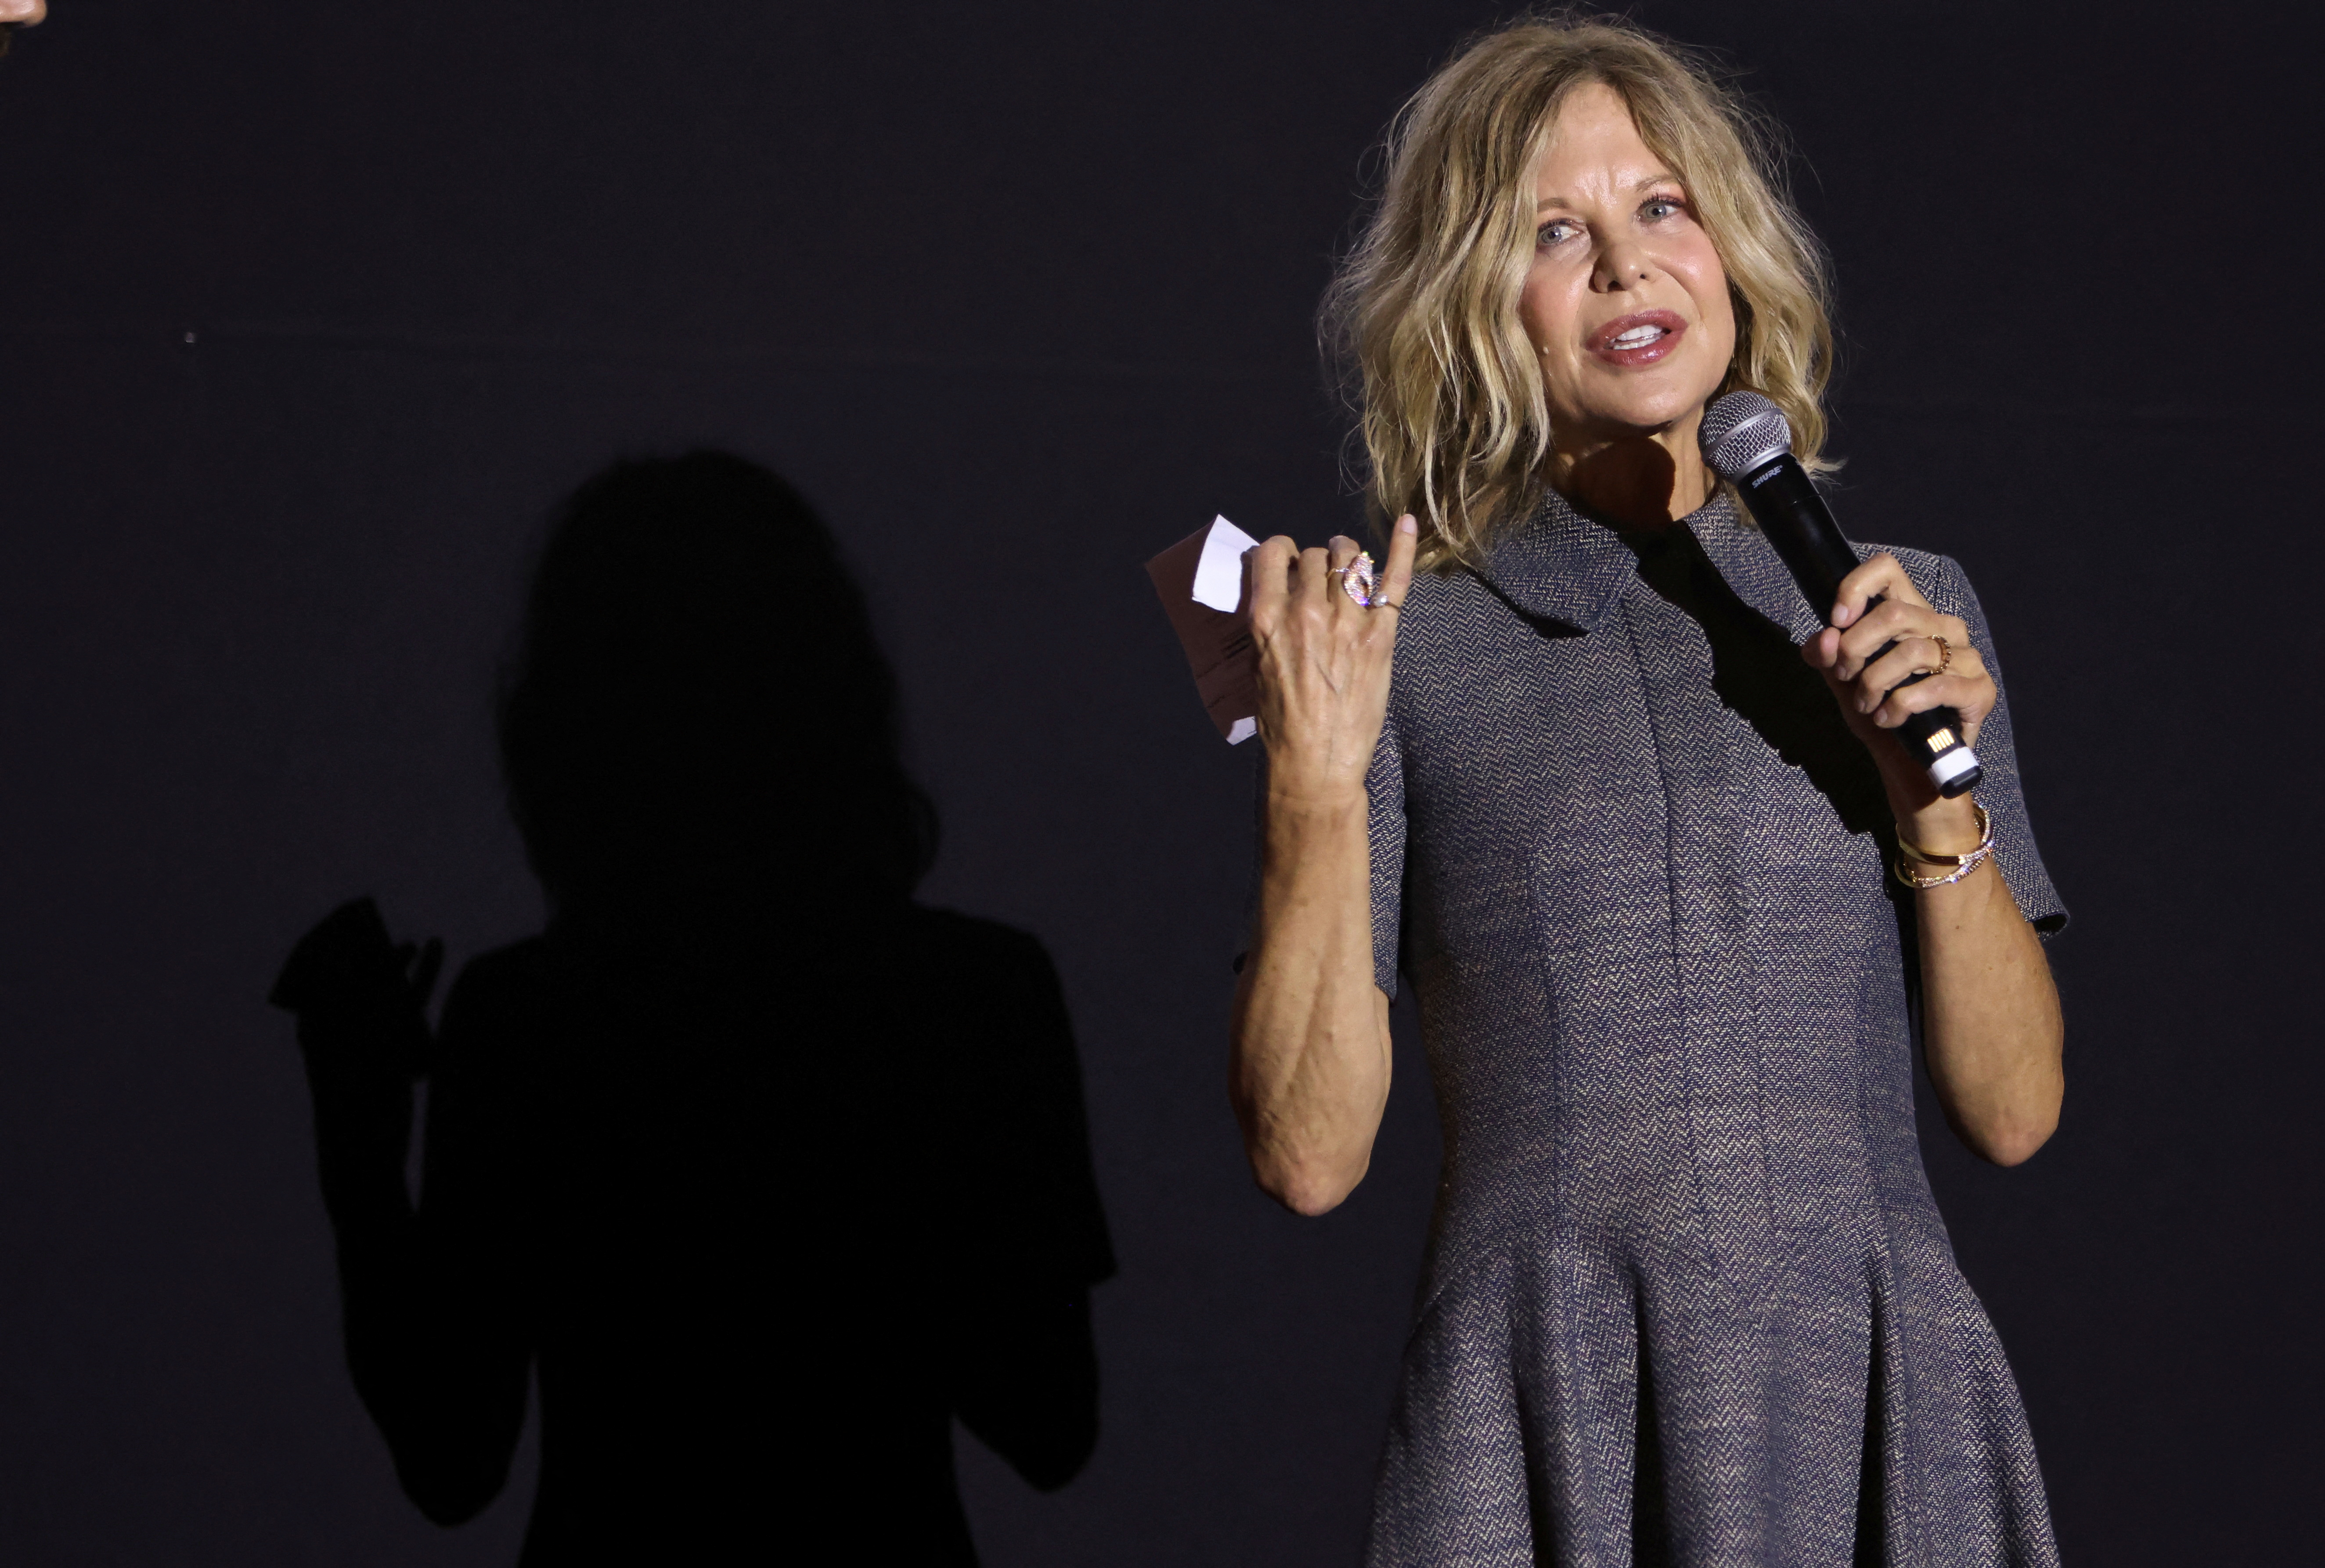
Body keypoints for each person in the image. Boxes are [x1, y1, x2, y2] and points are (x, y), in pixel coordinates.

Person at [1231, 19, 2065, 1565]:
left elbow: (2012, 1114)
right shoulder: (1397, 646)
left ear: (1729, 253)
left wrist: (1927, 805)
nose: (1625, 267)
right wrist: (1312, 785)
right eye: (1556, 232)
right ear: (1478, 301)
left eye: (1660, 208)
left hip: (1876, 1398)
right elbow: (1305, 1154)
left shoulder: (1900, 610)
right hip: (1548, 1413)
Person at [273, 453, 1114, 1564]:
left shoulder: (527, 1020)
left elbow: (450, 1461)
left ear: (572, 736)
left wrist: (360, 1140)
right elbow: (1049, 1426)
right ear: (835, 703)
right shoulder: (974, 994)